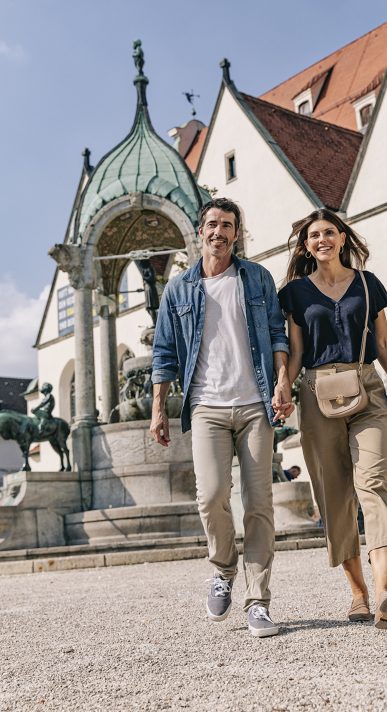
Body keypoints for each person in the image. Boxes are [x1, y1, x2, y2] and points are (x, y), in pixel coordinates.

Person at [151, 198, 293, 637]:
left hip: (255, 405)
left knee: (259, 504)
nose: (219, 232)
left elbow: (276, 334)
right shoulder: (178, 289)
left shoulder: (257, 278)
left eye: (227, 225)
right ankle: (223, 568)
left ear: (237, 233)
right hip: (206, 407)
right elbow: (164, 353)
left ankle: (259, 601)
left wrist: (283, 380)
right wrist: (159, 408)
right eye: (212, 224)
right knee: (211, 496)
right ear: (200, 232)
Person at [278, 209, 387, 630]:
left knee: (374, 483)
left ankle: (385, 591)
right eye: (314, 235)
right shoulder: (295, 292)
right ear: (306, 245)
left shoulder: (368, 284)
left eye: (329, 233)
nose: (322, 240)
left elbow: (384, 342)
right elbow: (296, 352)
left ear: (342, 237)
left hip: (368, 388)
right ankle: (358, 594)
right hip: (317, 395)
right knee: (335, 497)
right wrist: (283, 390)